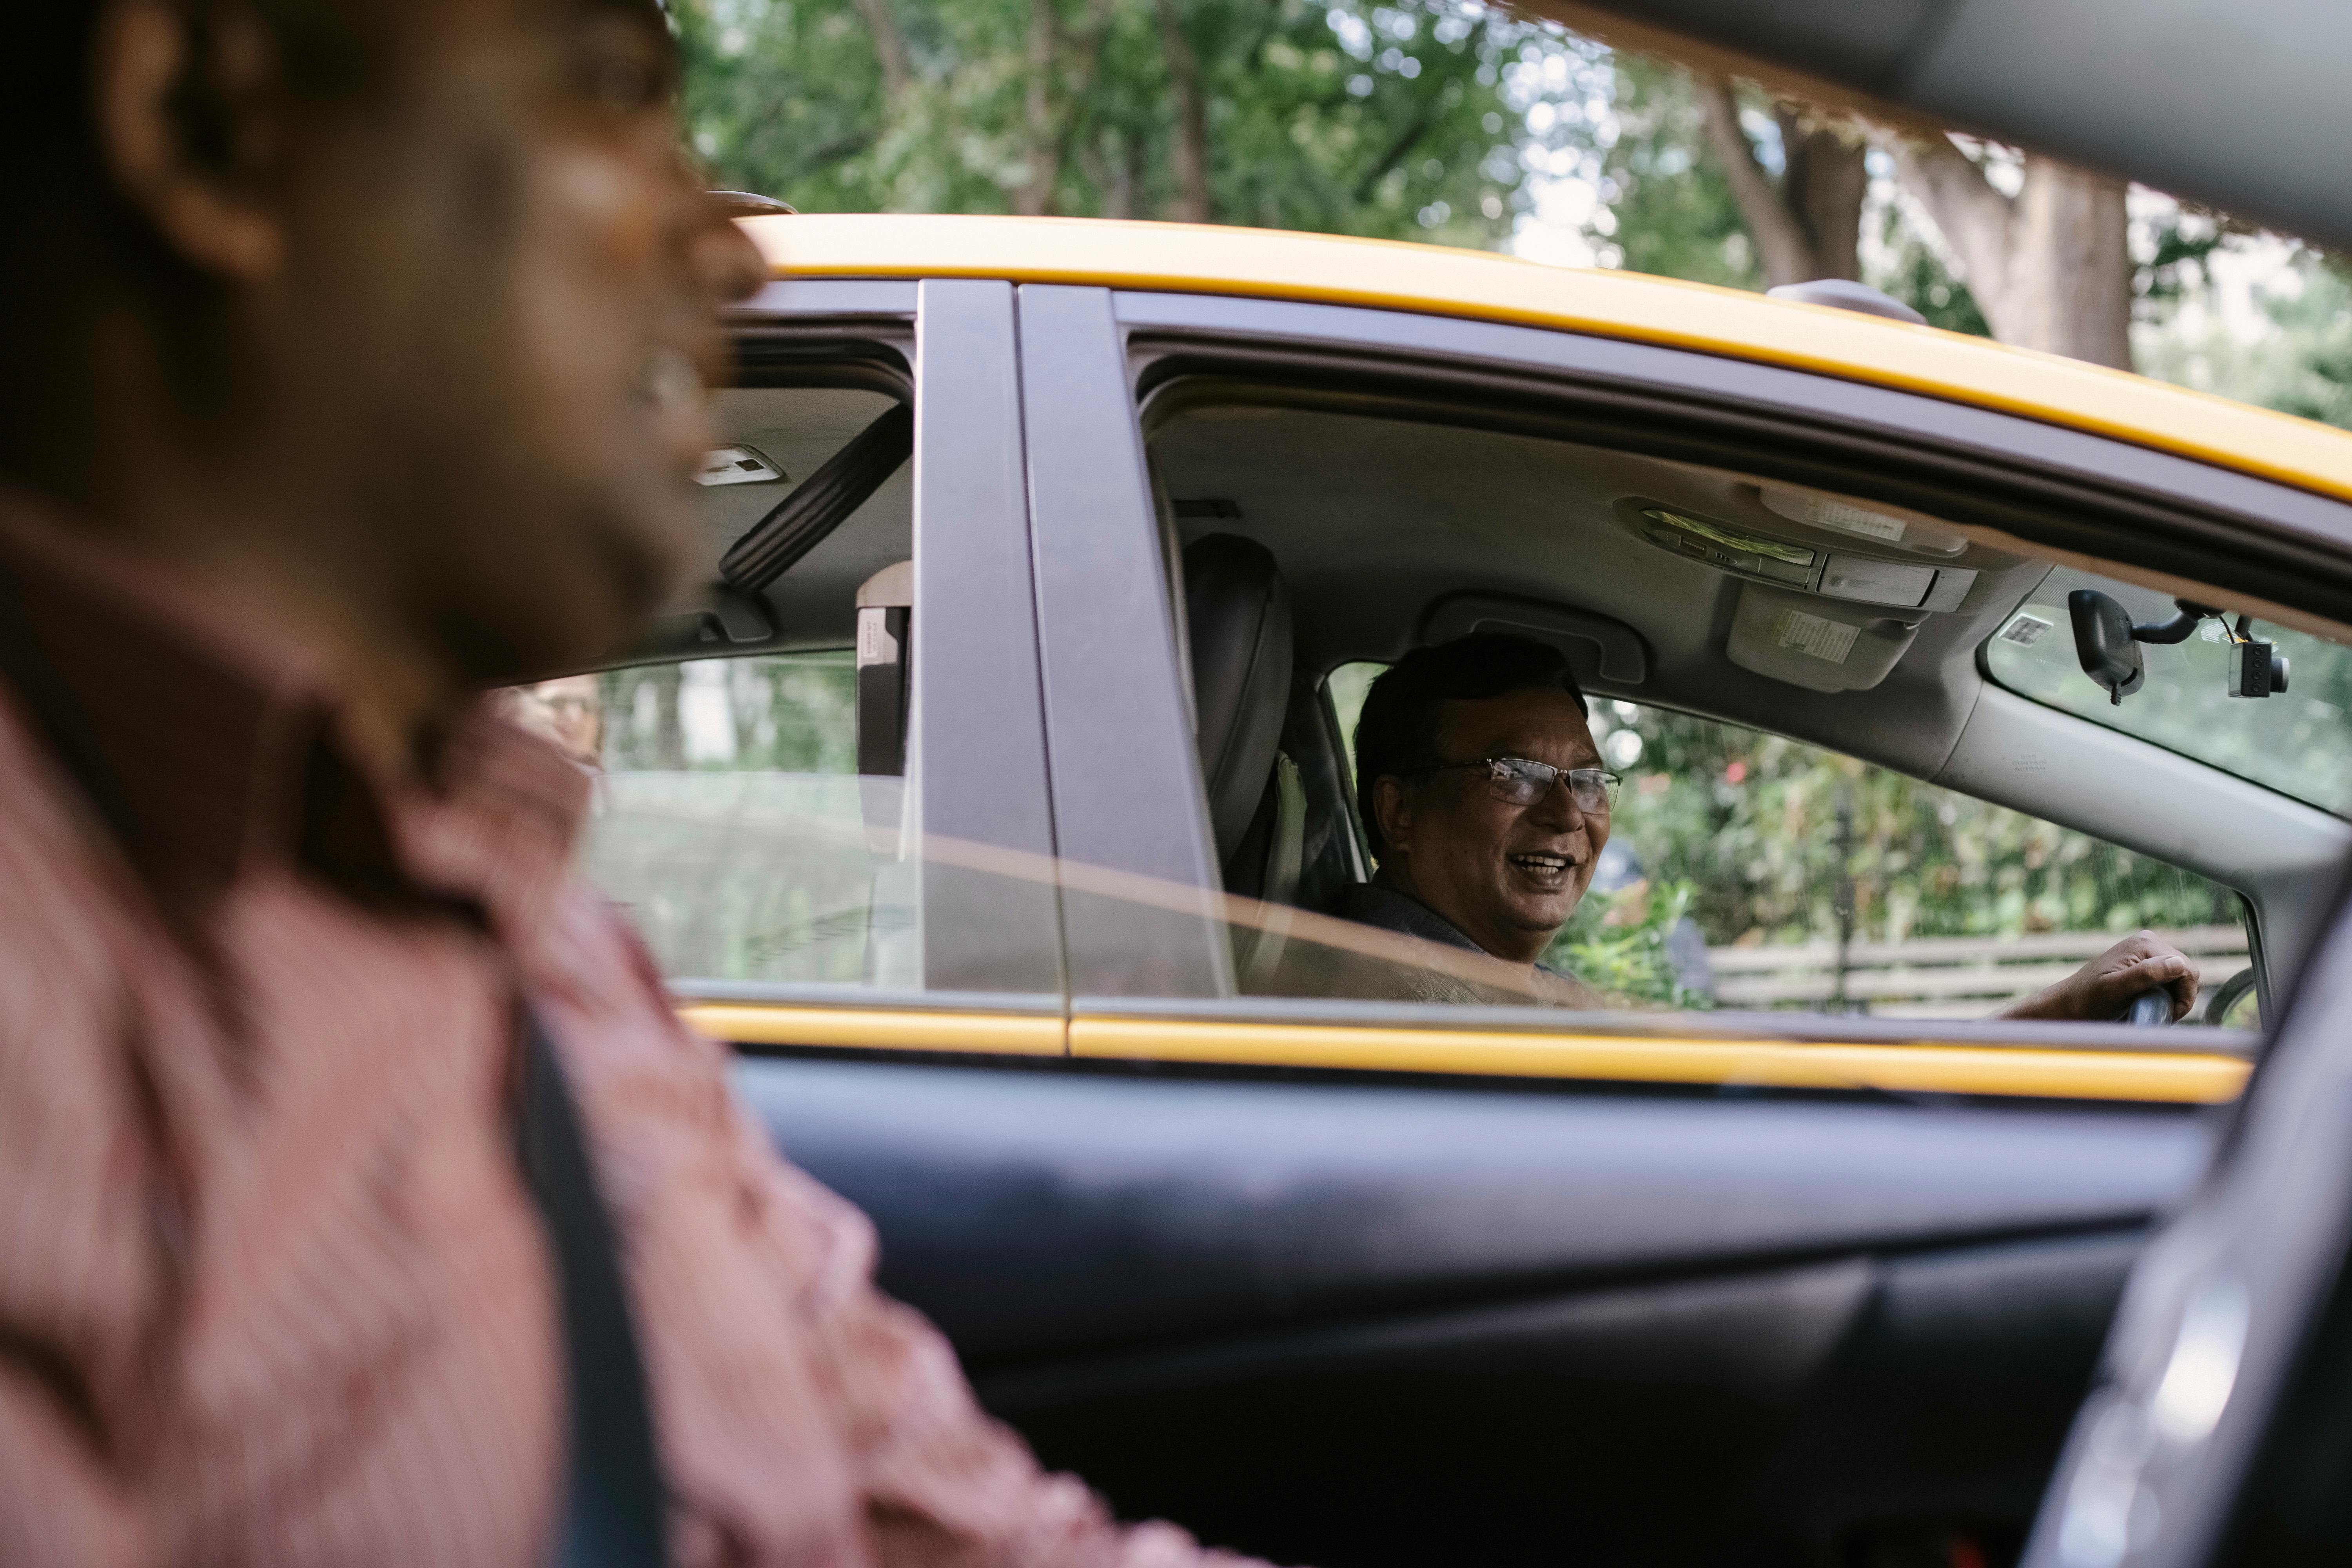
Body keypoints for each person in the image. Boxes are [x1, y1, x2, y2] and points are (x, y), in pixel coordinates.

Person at [0, 2, 1276, 1563]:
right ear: (205, 119)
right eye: (612, 90)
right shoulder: (50, 972)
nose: (738, 252)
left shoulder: (539, 939)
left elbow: (959, 1527)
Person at [1342, 634, 2201, 1022]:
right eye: (1517, 772)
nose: (1570, 812)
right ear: (1399, 811)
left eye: (1589, 777)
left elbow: (1745, 1091)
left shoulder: (1483, 980)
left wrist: (2046, 1014)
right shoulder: (1402, 1007)